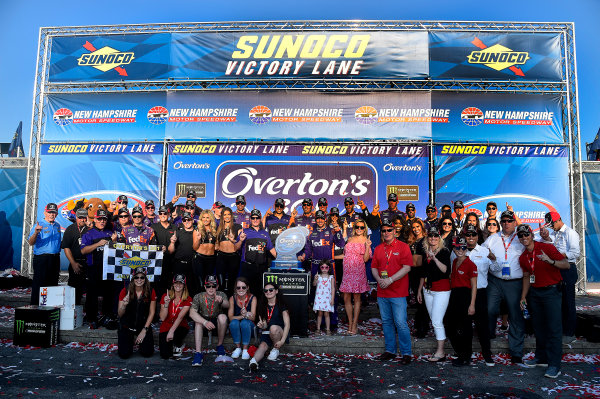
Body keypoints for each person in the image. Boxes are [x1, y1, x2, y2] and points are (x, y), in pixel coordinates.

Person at [518, 224, 569, 378]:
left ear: (531, 235)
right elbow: (527, 277)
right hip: (535, 293)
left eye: (526, 234)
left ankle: (555, 365)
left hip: (552, 291)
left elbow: (566, 265)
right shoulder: (523, 257)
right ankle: (541, 358)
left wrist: (550, 261)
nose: (524, 238)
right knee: (538, 327)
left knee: (553, 328)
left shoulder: (546, 248)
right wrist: (523, 297)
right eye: (521, 236)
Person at [484, 210, 526, 364]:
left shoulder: (521, 238)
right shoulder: (492, 238)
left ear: (515, 222)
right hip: (495, 280)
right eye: (504, 221)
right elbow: (482, 252)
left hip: (515, 282)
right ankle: (488, 338)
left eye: (510, 220)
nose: (506, 223)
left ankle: (516, 352)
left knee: (515, 315)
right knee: (489, 309)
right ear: (500, 223)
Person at [371, 217, 413, 364]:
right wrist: (379, 280)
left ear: (395, 231)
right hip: (382, 292)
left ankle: (406, 353)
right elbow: (374, 267)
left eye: (389, 230)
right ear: (381, 233)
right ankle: (390, 351)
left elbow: (407, 267)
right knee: (387, 322)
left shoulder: (403, 247)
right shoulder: (377, 248)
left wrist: (390, 280)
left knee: (400, 323)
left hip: (398, 292)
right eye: (384, 230)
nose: (387, 232)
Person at [454, 224, 495, 366]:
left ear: (478, 236)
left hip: (481, 292)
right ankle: (466, 355)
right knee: (464, 326)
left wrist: (494, 259)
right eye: (468, 235)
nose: (471, 237)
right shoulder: (458, 251)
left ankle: (487, 354)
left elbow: (495, 269)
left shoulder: (485, 251)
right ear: (464, 236)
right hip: (464, 293)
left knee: (482, 326)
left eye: (473, 234)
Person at [539, 211, 580, 344]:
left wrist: (559, 255)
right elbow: (552, 244)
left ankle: (570, 333)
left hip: (568, 268)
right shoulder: (555, 233)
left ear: (557, 221)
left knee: (568, 302)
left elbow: (575, 253)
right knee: (558, 302)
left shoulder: (570, 233)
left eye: (552, 225)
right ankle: (559, 330)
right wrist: (547, 239)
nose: (551, 228)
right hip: (556, 268)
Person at [417, 226, 451, 362]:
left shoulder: (444, 251)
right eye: (430, 236)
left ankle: (441, 352)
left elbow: (445, 271)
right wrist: (419, 290)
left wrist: (435, 259)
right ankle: (440, 348)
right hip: (427, 289)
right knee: (434, 319)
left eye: (435, 236)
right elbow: (422, 273)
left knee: (437, 321)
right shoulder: (425, 251)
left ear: (439, 238)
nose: (433, 238)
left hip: (441, 290)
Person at [81, 209, 118, 329]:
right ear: (95, 220)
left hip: (108, 268)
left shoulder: (110, 233)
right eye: (99, 219)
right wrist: (98, 244)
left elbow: (117, 250)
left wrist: (114, 242)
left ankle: (106, 317)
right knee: (92, 295)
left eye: (104, 219)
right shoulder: (88, 234)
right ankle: (92, 318)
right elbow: (83, 251)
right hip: (93, 268)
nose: (102, 221)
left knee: (109, 294)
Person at [446, 237, 478, 366]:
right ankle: (460, 352)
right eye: (458, 247)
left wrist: (472, 305)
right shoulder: (454, 261)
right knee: (449, 325)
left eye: (463, 248)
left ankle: (466, 356)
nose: (460, 250)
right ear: (454, 249)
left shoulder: (471, 264)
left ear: (467, 249)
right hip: (454, 296)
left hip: (465, 296)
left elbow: (474, 286)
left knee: (466, 328)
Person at [340, 219, 372, 335]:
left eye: (362, 227)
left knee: (357, 299)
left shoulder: (366, 240)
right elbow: (345, 254)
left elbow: (366, 259)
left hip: (358, 272)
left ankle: (354, 324)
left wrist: (367, 247)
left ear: (365, 229)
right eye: (357, 227)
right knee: (346, 298)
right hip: (347, 272)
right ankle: (349, 323)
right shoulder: (349, 239)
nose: (359, 229)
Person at [189, 275, 229, 366]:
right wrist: (204, 322)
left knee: (223, 317)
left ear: (217, 287)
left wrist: (221, 301)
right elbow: (192, 313)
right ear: (204, 287)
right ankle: (198, 353)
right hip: (204, 322)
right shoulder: (198, 296)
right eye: (208, 286)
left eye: (213, 286)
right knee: (198, 322)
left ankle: (219, 345)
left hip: (216, 324)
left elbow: (228, 305)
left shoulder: (221, 294)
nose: (211, 288)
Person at [249, 282, 290, 371]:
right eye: (266, 290)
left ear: (276, 291)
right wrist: (261, 325)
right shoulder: (262, 305)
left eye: (271, 290)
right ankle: (253, 362)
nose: (268, 292)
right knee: (262, 346)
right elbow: (264, 325)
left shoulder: (282, 305)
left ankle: (276, 349)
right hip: (267, 332)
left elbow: (287, 324)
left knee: (273, 328)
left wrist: (282, 341)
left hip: (279, 332)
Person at [116, 267, 156, 359]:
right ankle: (130, 340)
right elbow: (120, 314)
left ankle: (139, 339)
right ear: (132, 279)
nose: (139, 280)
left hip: (142, 326)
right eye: (136, 277)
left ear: (145, 279)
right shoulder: (125, 291)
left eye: (142, 277)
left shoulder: (151, 291)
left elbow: (152, 312)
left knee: (147, 353)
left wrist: (144, 330)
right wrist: (124, 305)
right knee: (124, 354)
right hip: (127, 326)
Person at [235, 209, 277, 295]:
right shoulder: (244, 231)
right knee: (245, 293)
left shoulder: (265, 233)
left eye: (257, 218)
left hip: (261, 268)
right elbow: (235, 248)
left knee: (260, 293)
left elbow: (272, 249)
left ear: (260, 219)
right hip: (247, 267)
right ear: (250, 219)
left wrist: (284, 260)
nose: (255, 220)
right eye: (253, 218)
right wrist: (241, 240)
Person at [28, 203, 62, 305]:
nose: (52, 214)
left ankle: (50, 309)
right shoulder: (39, 225)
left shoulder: (57, 226)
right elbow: (30, 242)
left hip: (55, 258)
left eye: (54, 212)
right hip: (42, 258)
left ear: (56, 214)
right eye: (49, 212)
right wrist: (36, 233)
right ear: (45, 212)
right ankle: (34, 308)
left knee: (52, 284)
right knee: (39, 284)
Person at [159, 274, 192, 359]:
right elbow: (162, 318)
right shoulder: (165, 296)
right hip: (166, 325)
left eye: (180, 283)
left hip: (180, 325)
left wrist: (171, 331)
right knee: (165, 355)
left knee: (178, 333)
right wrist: (166, 304)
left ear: (184, 286)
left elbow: (180, 317)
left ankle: (177, 344)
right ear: (173, 285)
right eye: (176, 283)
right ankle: (172, 345)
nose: (178, 285)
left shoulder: (188, 299)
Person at [61, 208, 89, 305]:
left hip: (89, 263)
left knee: (90, 291)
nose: (82, 220)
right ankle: (73, 314)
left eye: (84, 218)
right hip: (76, 262)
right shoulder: (70, 229)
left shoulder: (91, 229)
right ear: (76, 217)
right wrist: (73, 263)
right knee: (74, 292)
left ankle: (88, 316)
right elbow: (66, 247)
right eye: (80, 218)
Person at [408, 219, 430, 338]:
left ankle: (423, 328)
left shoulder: (426, 240)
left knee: (422, 301)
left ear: (422, 227)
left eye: (418, 226)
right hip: (413, 273)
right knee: (418, 300)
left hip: (422, 273)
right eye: (414, 227)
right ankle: (420, 325)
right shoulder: (411, 241)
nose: (416, 229)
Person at [215, 207, 243, 296]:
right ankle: (221, 304)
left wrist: (233, 240)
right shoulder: (218, 228)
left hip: (233, 256)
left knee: (232, 282)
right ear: (222, 216)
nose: (227, 216)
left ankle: (231, 304)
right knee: (221, 283)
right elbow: (216, 243)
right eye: (225, 214)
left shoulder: (238, 226)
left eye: (228, 214)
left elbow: (240, 244)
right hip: (221, 256)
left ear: (231, 216)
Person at [228, 277, 257, 360]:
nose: (241, 289)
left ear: (247, 287)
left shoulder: (253, 298)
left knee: (244, 322)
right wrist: (243, 315)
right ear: (235, 288)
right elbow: (230, 318)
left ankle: (245, 349)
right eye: (238, 287)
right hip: (237, 326)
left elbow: (254, 318)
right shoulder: (232, 298)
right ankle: (238, 348)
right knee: (234, 322)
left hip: (248, 326)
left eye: (243, 287)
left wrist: (247, 315)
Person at [168, 212, 197, 296]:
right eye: (184, 220)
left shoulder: (197, 232)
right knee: (177, 290)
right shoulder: (178, 232)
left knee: (191, 289)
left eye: (189, 219)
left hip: (192, 265)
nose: (187, 221)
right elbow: (170, 251)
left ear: (193, 220)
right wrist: (172, 242)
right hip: (179, 265)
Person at [151, 205, 176, 297]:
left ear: (169, 214)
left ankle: (168, 306)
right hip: (156, 261)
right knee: (156, 286)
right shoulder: (153, 227)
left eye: (165, 213)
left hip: (170, 261)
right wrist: (158, 248)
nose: (162, 215)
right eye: (160, 213)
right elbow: (149, 243)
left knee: (169, 286)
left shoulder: (174, 227)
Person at [192, 209, 217, 293]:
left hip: (211, 259)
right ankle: (199, 303)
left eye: (208, 217)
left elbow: (216, 246)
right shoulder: (197, 229)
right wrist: (198, 239)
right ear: (201, 219)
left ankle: (207, 304)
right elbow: (195, 247)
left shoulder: (214, 230)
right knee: (200, 284)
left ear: (211, 219)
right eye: (204, 217)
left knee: (209, 284)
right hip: (199, 259)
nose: (205, 219)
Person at [313, 260, 336, 335]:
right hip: (319, 297)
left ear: (329, 268)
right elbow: (314, 285)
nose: (324, 269)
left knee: (327, 314)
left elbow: (333, 288)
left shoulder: (331, 277)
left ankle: (328, 329)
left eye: (326, 267)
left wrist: (332, 298)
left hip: (327, 298)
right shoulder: (318, 276)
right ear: (320, 268)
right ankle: (318, 328)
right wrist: (315, 279)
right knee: (319, 314)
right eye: (322, 267)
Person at [328, 207, 346, 287]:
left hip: (339, 252)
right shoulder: (327, 226)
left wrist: (344, 229)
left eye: (336, 215)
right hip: (330, 252)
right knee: (330, 276)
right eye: (332, 215)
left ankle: (340, 294)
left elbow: (344, 240)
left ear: (338, 216)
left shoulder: (341, 226)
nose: (334, 217)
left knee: (340, 276)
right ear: (330, 216)